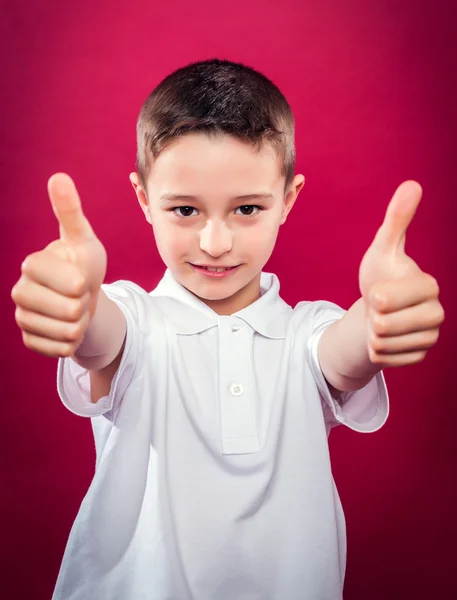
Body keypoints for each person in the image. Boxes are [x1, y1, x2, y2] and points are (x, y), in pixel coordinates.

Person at [11, 59, 444, 600]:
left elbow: (344, 352)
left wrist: (378, 316)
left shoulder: (307, 332)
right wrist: (76, 305)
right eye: (186, 210)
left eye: (246, 208)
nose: (216, 242)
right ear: (145, 199)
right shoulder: (136, 318)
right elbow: (103, 337)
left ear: (287, 199)